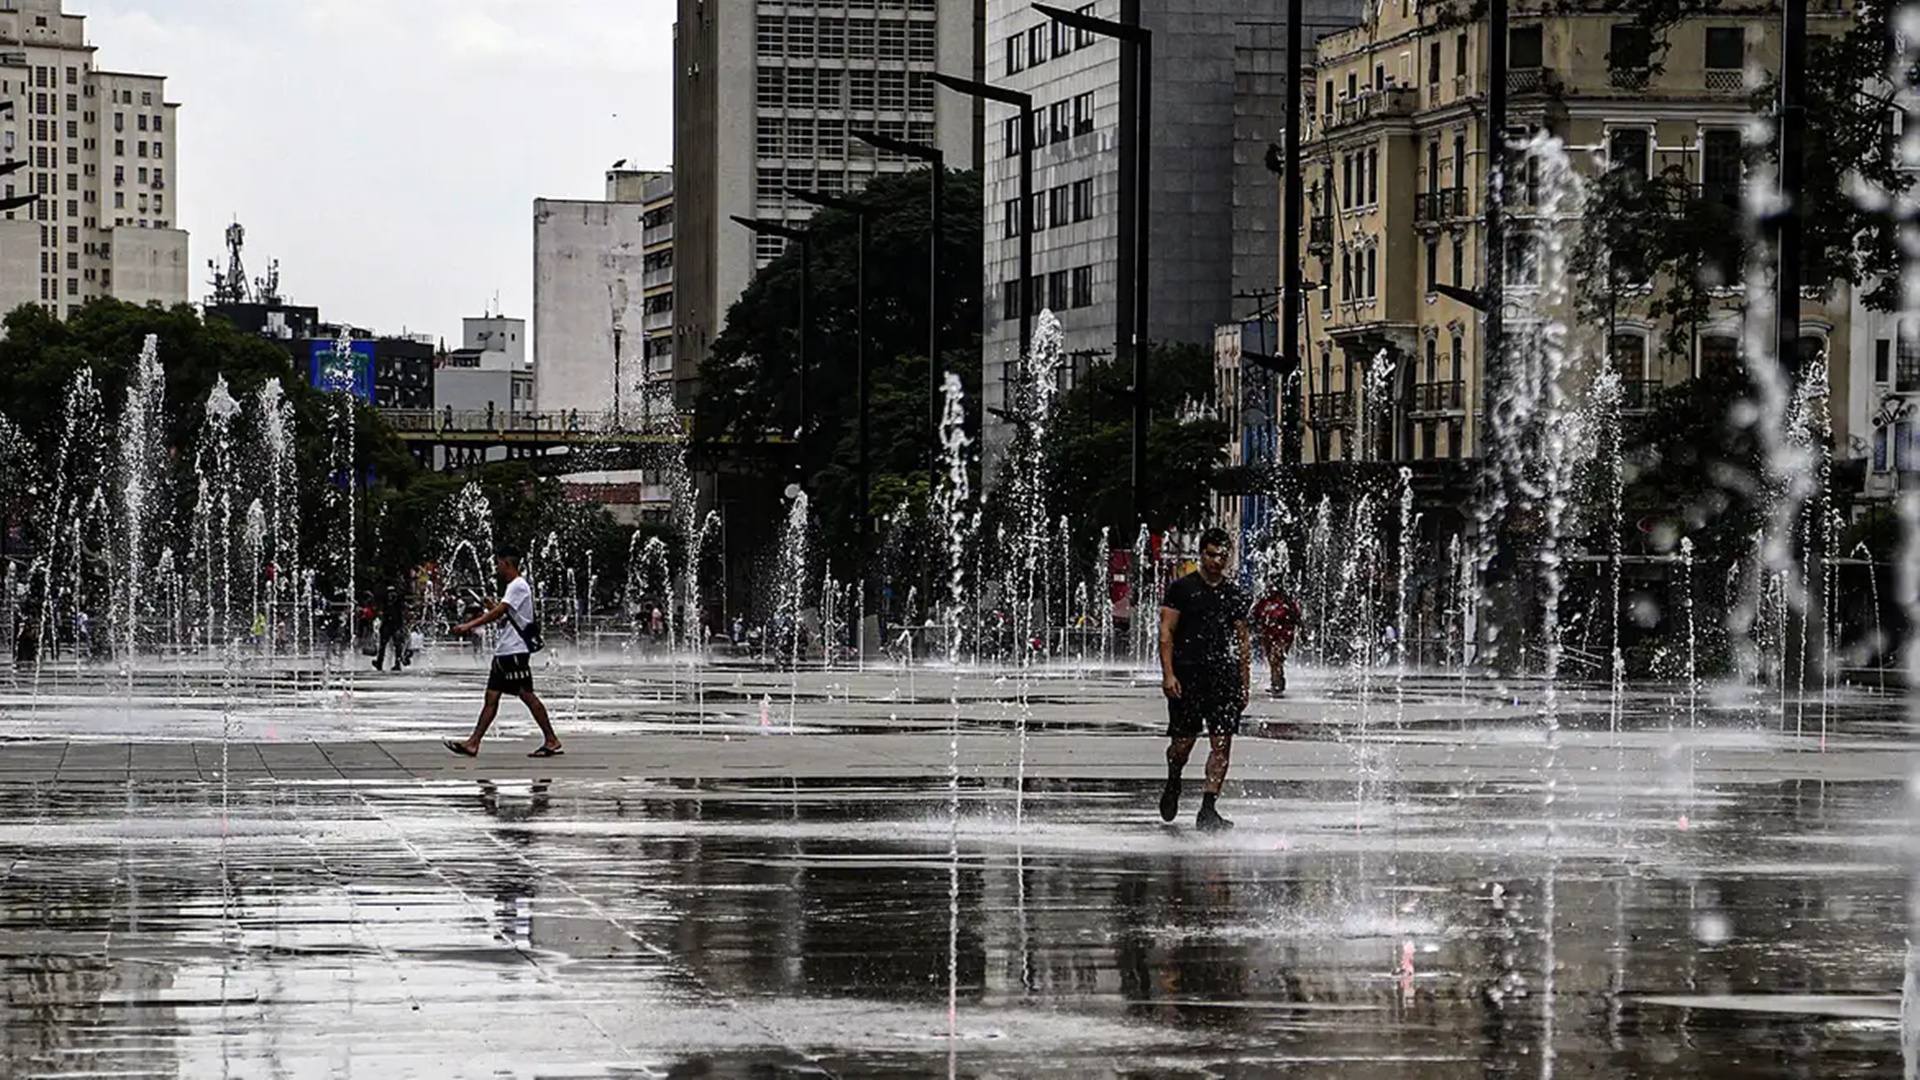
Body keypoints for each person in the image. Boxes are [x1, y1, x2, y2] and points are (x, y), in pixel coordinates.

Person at [1158, 527, 1252, 830]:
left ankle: (1208, 808)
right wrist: (1168, 673)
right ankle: (1174, 778)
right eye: (1212, 554)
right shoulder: (1181, 589)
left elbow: (1242, 640)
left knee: (1222, 744)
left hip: (1222, 678)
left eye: (1223, 555)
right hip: (1187, 676)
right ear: (1201, 554)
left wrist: (1244, 683)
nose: (1218, 560)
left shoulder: (1234, 593)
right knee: (1182, 745)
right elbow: (1166, 632)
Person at [444, 546, 563, 758]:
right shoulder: (513, 586)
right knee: (491, 697)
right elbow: (503, 615)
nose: (496, 568)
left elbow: (500, 612)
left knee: (527, 695)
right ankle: (473, 743)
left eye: (498, 563)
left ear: (507, 563)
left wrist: (469, 625)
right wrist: (492, 606)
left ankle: (551, 739)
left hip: (515, 652)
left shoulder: (518, 585)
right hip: (505, 652)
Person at [1250, 582, 1303, 694]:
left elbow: (1298, 618)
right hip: (1268, 635)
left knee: (1276, 658)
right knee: (1273, 660)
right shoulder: (1264, 601)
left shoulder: (1286, 602)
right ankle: (1277, 681)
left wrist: (1303, 633)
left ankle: (1277, 684)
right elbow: (1254, 616)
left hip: (1284, 635)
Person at [373, 580, 410, 671]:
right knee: (397, 646)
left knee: (383, 645)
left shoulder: (386, 599)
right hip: (396, 624)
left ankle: (380, 663)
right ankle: (397, 663)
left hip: (388, 624)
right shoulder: (398, 600)